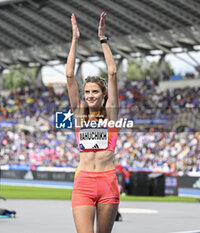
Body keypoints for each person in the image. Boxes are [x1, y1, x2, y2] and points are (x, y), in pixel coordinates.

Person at [66, 12, 120, 233]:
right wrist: (75, 39)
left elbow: (113, 71)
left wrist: (103, 39)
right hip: (84, 182)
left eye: (94, 91)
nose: (89, 95)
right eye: (86, 91)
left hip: (108, 181)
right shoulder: (79, 113)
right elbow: (70, 75)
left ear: (103, 93)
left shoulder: (111, 114)